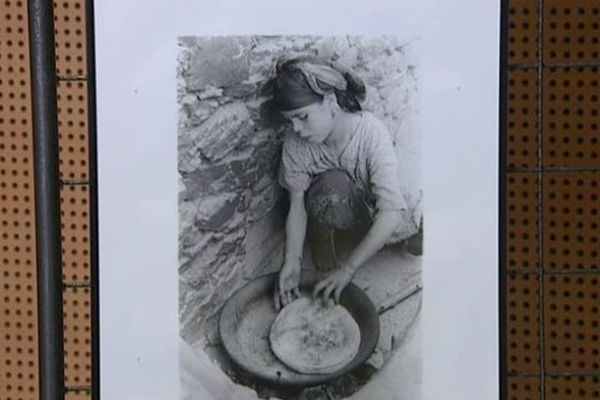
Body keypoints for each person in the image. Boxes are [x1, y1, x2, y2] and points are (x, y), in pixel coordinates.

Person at [271, 55, 420, 310]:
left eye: (302, 117)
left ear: (330, 101)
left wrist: (348, 269)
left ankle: (386, 240)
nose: (296, 128)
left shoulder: (370, 133)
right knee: (333, 184)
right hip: (338, 205)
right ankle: (323, 239)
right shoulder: (296, 143)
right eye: (290, 120)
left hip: (371, 208)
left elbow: (392, 212)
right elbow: (296, 206)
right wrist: (292, 261)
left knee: (416, 227)